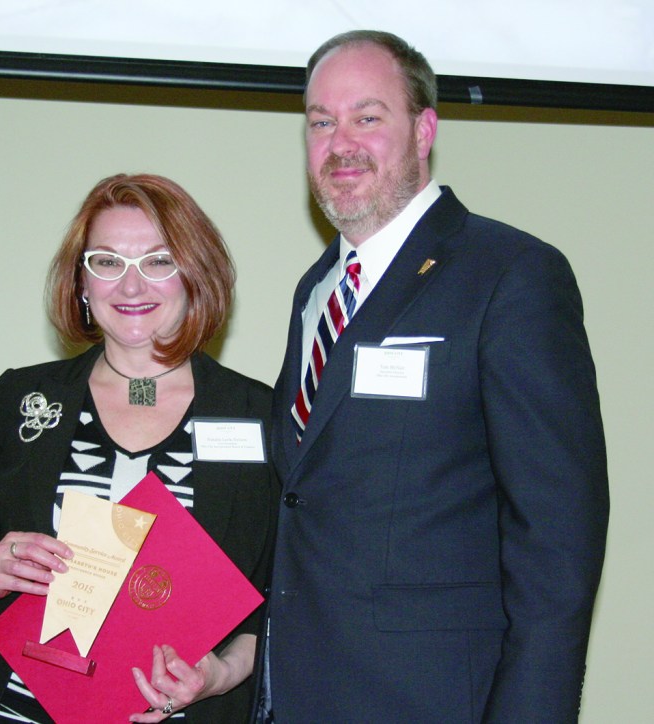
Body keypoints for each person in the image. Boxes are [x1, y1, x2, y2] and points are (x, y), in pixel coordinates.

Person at [261, 29, 610, 722]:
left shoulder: (510, 275)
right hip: (298, 696)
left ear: (424, 130)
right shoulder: (318, 292)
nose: (341, 142)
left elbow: (557, 538)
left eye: (367, 117)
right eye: (321, 122)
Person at [0, 173, 278, 723]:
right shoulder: (22, 397)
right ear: (82, 284)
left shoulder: (260, 416)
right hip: (10, 709)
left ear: (195, 274)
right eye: (107, 262)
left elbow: (280, 598)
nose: (131, 287)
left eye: (158, 261)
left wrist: (221, 674)